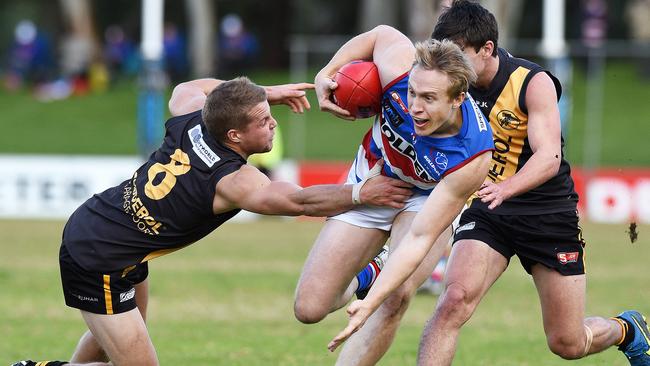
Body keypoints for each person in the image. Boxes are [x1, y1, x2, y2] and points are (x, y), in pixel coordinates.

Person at [330, 1, 650, 365]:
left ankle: (627, 329)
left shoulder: (532, 82)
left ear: (487, 50)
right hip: (487, 210)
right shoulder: (452, 86)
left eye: (460, 54)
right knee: (452, 303)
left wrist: (505, 188)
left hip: (546, 212)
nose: (453, 64)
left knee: (567, 342)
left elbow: (550, 157)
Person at [11, 77, 414, 366]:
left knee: (113, 346)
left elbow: (186, 89)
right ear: (235, 135)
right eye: (262, 119)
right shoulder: (231, 181)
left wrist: (263, 95)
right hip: (97, 258)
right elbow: (299, 200)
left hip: (109, 233)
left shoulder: (193, 118)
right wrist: (363, 193)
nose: (273, 121)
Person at [293, 25, 493, 366]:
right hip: (375, 176)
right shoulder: (400, 66)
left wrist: (369, 305)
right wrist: (325, 73)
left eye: (429, 99)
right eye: (413, 93)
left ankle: (382, 279)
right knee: (309, 308)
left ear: (459, 98)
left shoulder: (472, 155)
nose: (415, 106)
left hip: (425, 200)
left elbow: (420, 237)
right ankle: (370, 273)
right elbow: (379, 34)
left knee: (395, 297)